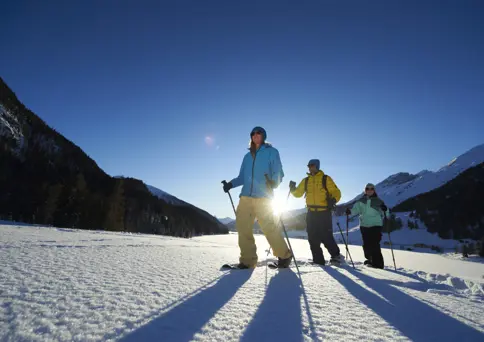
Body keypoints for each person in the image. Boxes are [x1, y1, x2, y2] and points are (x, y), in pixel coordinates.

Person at [222, 126, 293, 269]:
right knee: (243, 228)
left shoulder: (271, 152)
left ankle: (285, 256)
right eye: (253, 133)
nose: (255, 135)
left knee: (269, 228)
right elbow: (242, 177)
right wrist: (230, 184)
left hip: (264, 196)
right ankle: (247, 261)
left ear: (264, 136)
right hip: (246, 197)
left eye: (258, 133)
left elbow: (279, 172)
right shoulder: (247, 156)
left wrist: (274, 182)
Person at [289, 159, 343, 265]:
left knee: (326, 236)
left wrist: (333, 200)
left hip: (324, 212)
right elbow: (298, 194)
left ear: (317, 166)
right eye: (309, 166)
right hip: (311, 212)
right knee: (312, 237)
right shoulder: (306, 180)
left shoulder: (325, 178)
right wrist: (292, 189)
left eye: (312, 165)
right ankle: (318, 261)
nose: (310, 167)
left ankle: (336, 256)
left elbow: (337, 192)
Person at [345, 183, 390, 269]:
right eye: (367, 189)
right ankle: (370, 260)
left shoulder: (379, 201)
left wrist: (385, 209)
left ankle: (378, 264)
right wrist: (349, 211)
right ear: (365, 190)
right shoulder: (361, 201)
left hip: (376, 225)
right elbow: (355, 210)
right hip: (364, 226)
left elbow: (386, 214)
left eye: (371, 189)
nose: (369, 190)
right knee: (366, 245)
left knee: (375, 244)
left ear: (374, 190)